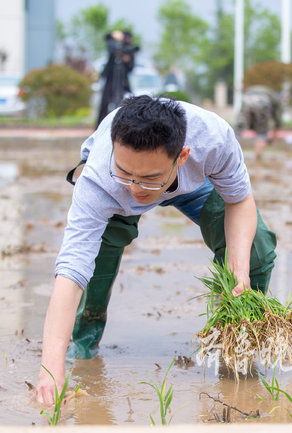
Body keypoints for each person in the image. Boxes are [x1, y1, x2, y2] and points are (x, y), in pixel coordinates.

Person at [36, 95, 277, 404]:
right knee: (95, 260)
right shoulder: (100, 179)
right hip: (113, 194)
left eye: (146, 178)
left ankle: (236, 348)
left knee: (256, 250)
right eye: (126, 172)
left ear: (182, 156)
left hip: (195, 184)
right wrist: (50, 370)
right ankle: (82, 344)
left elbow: (239, 199)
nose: (136, 187)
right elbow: (71, 270)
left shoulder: (213, 140)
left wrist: (238, 269)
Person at [96, 30, 139, 128]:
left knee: (120, 102)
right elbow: (106, 38)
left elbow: (130, 68)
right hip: (110, 79)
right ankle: (99, 127)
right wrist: (113, 35)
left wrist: (126, 59)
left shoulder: (128, 51)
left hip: (122, 81)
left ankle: (118, 125)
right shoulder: (114, 47)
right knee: (104, 103)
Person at [236, 85, 282, 160]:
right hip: (262, 102)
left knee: (239, 130)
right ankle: (258, 156)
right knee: (262, 133)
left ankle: (229, 153)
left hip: (246, 99)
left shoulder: (267, 93)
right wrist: (276, 130)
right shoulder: (275, 100)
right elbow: (277, 118)